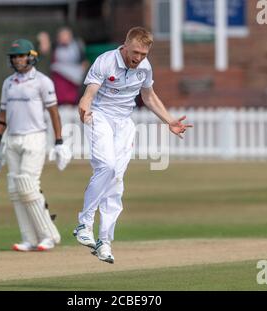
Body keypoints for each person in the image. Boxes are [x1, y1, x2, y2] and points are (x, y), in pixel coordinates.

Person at [73, 27, 192, 264]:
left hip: (124, 123)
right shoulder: (106, 61)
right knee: (106, 166)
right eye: (135, 52)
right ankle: (84, 224)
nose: (138, 58)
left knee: (116, 178)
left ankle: (104, 241)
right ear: (125, 46)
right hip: (100, 117)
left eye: (144, 54)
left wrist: (169, 121)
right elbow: (90, 92)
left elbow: (148, 97)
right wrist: (84, 106)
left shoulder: (144, 68)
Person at [0, 38, 71, 252]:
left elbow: (53, 112)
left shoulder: (43, 82)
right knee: (15, 189)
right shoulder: (8, 83)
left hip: (35, 137)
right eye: (14, 56)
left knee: (28, 185)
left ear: (31, 56)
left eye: (21, 55)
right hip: (13, 139)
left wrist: (59, 142)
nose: (17, 60)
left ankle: (49, 236)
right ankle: (29, 238)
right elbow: (2, 114)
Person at [50, 27, 88, 105]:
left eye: (66, 36)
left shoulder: (77, 46)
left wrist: (82, 68)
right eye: (62, 36)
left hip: (74, 74)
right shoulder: (55, 47)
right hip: (60, 74)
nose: (64, 38)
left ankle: (73, 101)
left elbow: (84, 60)